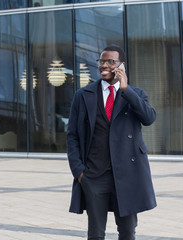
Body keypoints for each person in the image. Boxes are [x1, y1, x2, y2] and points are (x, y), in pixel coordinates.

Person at [67, 45, 157, 240]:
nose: (104, 65)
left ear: (121, 66)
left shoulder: (136, 94)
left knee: (127, 233)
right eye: (102, 61)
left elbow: (149, 118)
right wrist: (79, 172)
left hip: (127, 175)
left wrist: (126, 90)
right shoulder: (83, 95)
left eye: (111, 61)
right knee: (95, 234)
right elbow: (72, 135)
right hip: (94, 175)